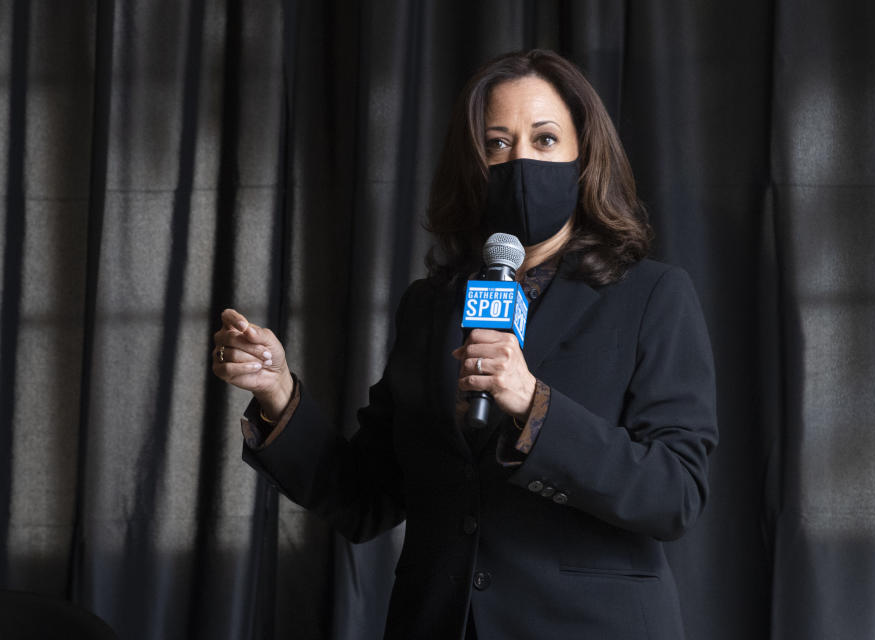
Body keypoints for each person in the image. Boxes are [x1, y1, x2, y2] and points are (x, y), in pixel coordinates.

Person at [212, 49, 717, 640]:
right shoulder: (431, 306)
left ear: (585, 158)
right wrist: (277, 393)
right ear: (474, 163)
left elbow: (675, 493)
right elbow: (366, 499)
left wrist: (534, 404)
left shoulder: (652, 295)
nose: (521, 160)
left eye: (545, 139)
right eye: (498, 143)